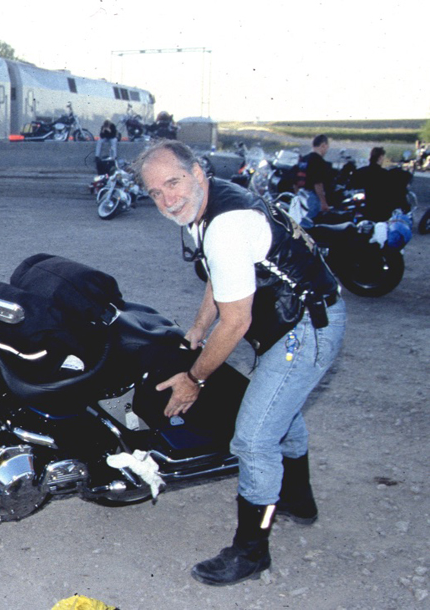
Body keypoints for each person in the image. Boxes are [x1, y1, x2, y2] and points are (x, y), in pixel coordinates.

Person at [134, 140, 346, 587]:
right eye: (155, 192)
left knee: (252, 439)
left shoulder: (226, 224)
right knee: (279, 411)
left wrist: (194, 378)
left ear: (196, 172)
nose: (167, 198)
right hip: (290, 322)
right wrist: (196, 329)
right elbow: (221, 276)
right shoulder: (207, 206)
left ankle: (251, 552)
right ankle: (298, 499)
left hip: (303, 329)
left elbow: (236, 321)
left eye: (172, 182)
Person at [293, 134, 333, 227]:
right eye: (327, 147)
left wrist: (297, 196)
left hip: (302, 196)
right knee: (311, 225)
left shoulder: (303, 159)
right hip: (313, 198)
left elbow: (295, 181)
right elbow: (318, 183)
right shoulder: (318, 161)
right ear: (323, 145)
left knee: (301, 223)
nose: (326, 150)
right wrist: (323, 202)